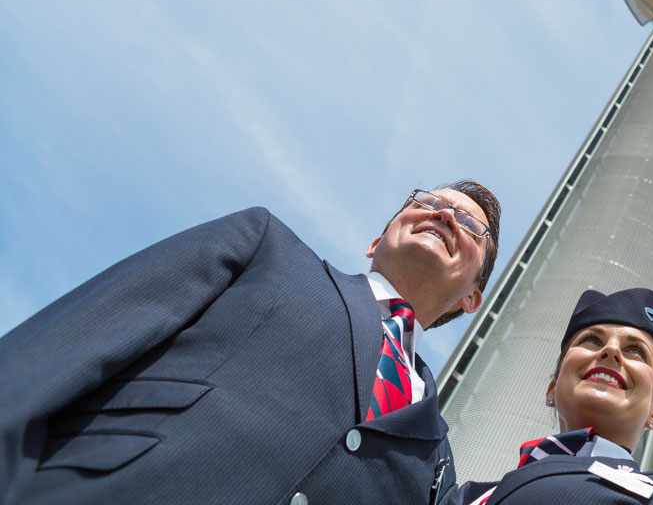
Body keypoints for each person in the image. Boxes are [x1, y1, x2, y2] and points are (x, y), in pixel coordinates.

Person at [0, 181, 501, 505]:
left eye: (471, 225)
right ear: (376, 241)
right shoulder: (266, 249)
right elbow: (68, 346)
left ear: (473, 297)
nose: (444, 215)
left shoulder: (438, 459)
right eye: (427, 202)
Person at [454, 288, 653, 504]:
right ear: (552, 389)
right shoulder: (468, 495)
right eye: (591, 340)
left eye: (636, 351)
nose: (611, 352)